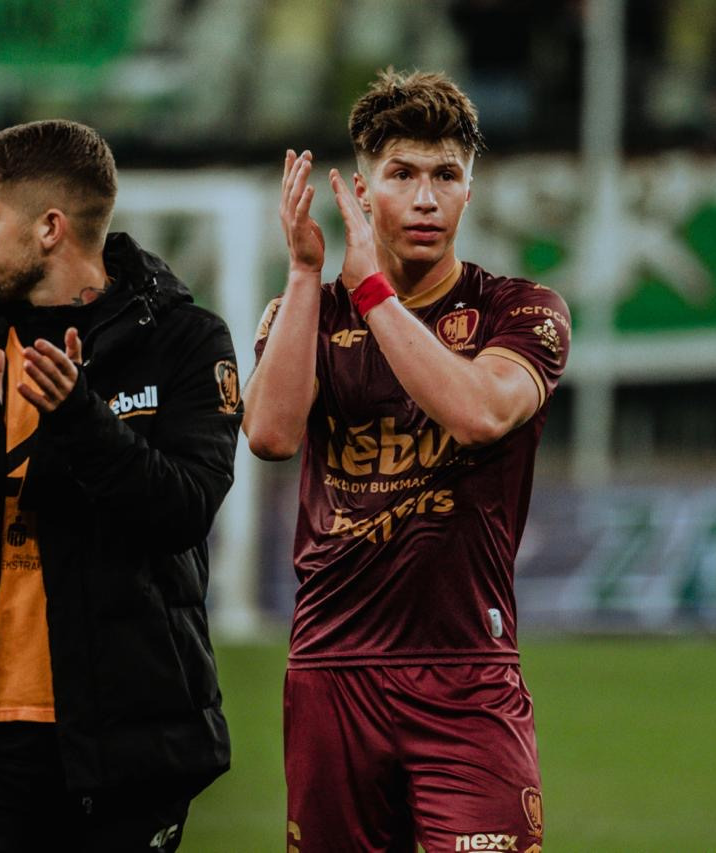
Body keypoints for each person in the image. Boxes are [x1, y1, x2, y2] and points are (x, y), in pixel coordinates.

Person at [0, 119, 241, 852]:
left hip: (124, 744)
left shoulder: (183, 341)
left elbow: (184, 510)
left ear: (49, 228)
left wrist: (80, 420)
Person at [243, 69, 570, 852]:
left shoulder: (520, 311)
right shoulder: (305, 311)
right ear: (361, 191)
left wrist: (375, 298)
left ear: (469, 192)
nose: (426, 199)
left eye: (445, 176)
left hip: (467, 673)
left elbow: (478, 412)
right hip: (332, 665)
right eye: (402, 175)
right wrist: (304, 274)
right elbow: (271, 435)